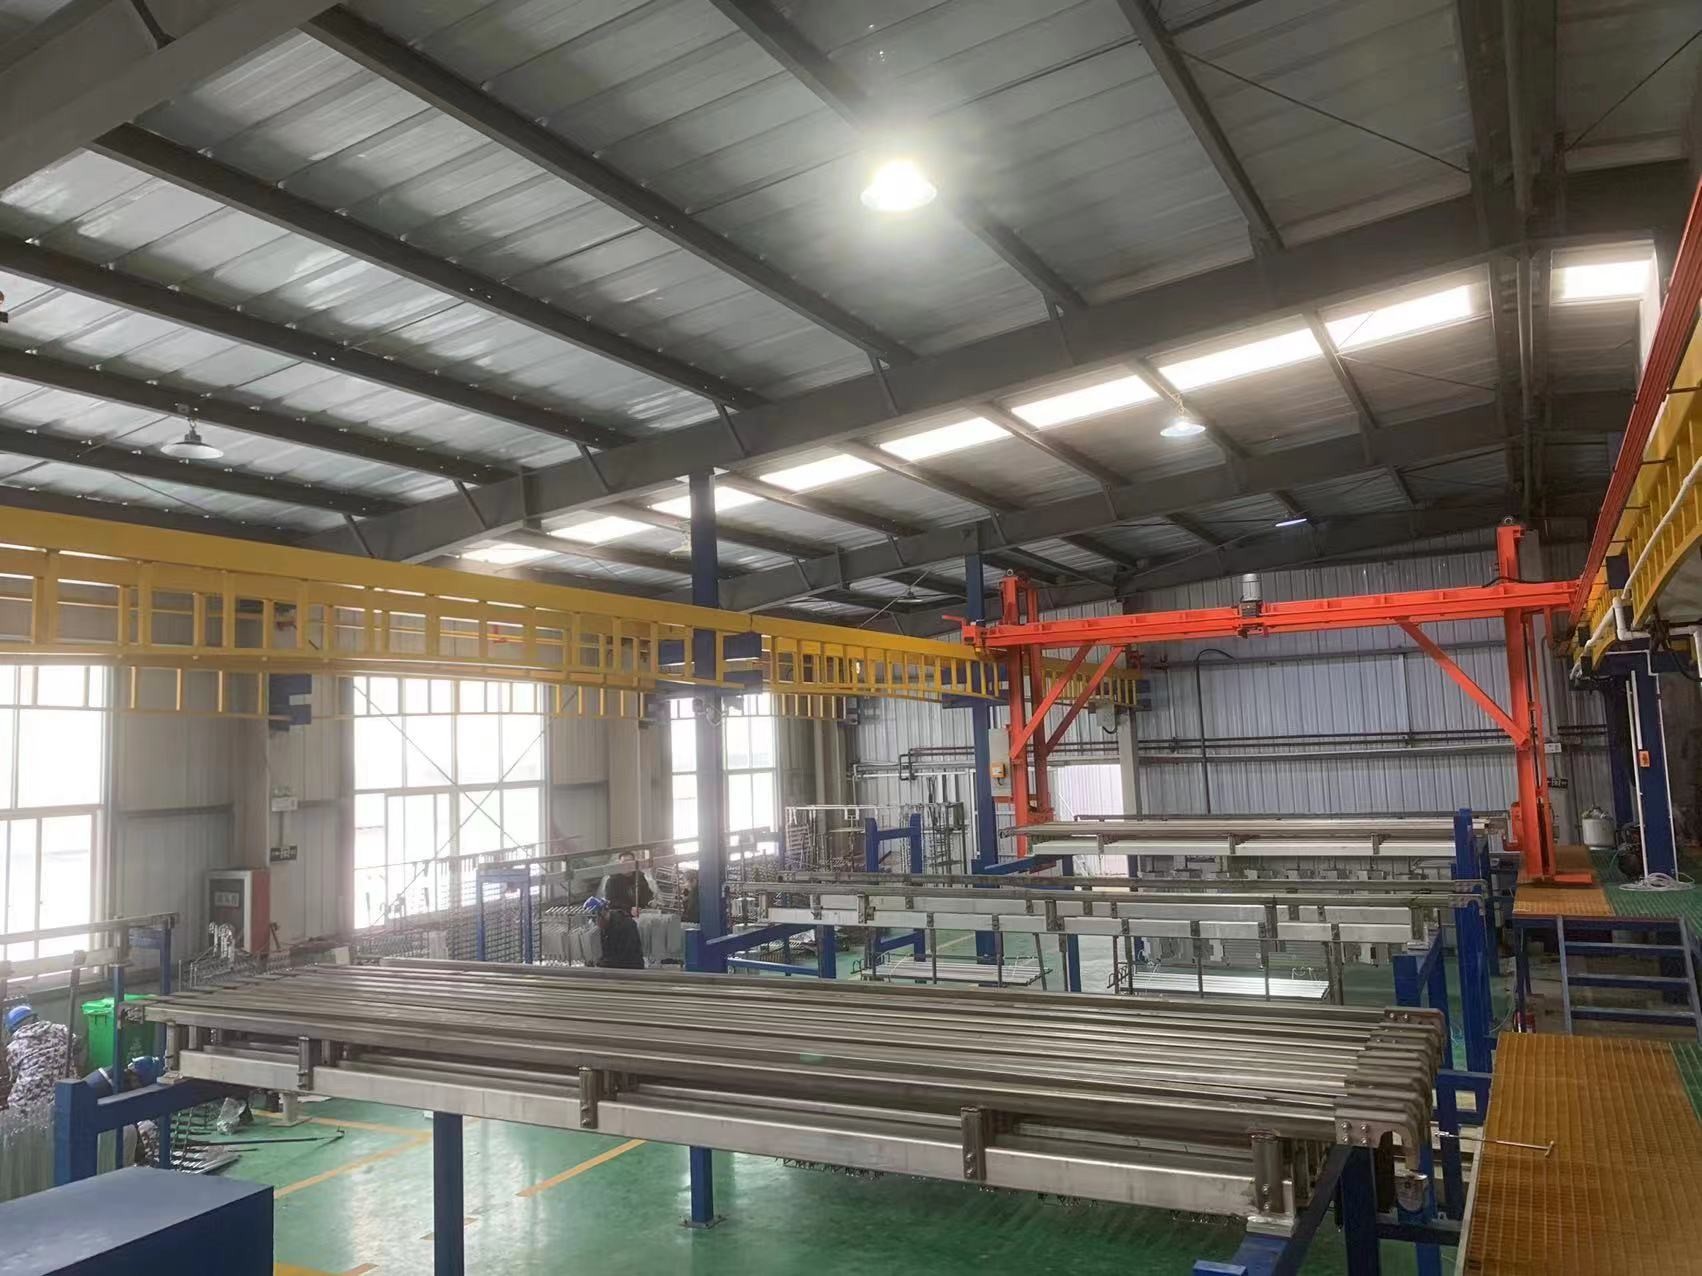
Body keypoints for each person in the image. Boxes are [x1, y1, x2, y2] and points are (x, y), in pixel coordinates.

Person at [3, 1004, 73, 1114]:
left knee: (14, 1104)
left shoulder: (14, 1047)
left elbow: (14, 1076)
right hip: (67, 1090)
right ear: (36, 1018)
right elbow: (75, 1042)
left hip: (32, 1099)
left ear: (12, 1029)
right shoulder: (61, 1029)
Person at [586, 896, 645, 969]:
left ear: (603, 912)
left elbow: (624, 958)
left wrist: (601, 963)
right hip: (615, 967)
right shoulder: (606, 925)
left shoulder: (626, 926)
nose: (596, 924)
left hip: (631, 969)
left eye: (595, 919)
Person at [602, 850, 653, 916]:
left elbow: (647, 893)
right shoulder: (612, 881)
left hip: (641, 913)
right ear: (620, 863)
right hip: (622, 916)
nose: (627, 865)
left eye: (630, 862)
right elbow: (610, 902)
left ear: (634, 863)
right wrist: (629, 909)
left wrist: (650, 902)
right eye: (624, 862)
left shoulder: (639, 876)